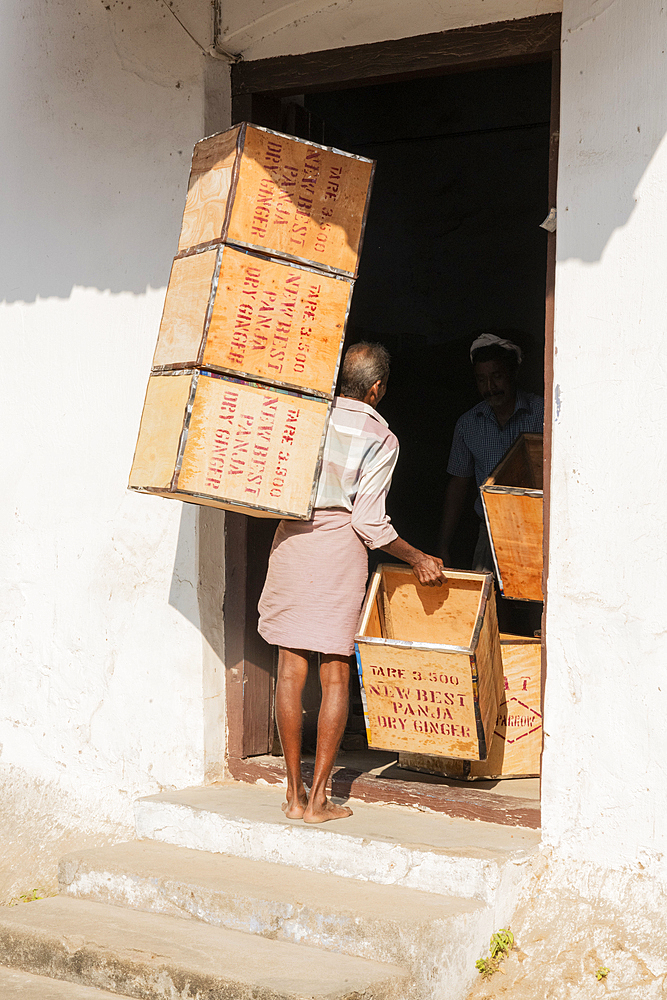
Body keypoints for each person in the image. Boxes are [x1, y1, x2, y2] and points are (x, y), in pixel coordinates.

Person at [258, 342, 444, 824]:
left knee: (290, 666)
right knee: (335, 672)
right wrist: (416, 555)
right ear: (378, 388)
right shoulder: (381, 437)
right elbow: (370, 523)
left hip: (291, 541)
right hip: (338, 547)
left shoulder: (308, 415)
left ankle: (294, 796)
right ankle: (320, 801)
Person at [439, 333, 544, 572]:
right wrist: (443, 544)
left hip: (538, 527)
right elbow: (458, 484)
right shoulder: (468, 424)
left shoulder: (542, 414)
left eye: (497, 377)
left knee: (537, 599)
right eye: (482, 380)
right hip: (490, 531)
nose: (490, 388)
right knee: (486, 602)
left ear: (513, 374)